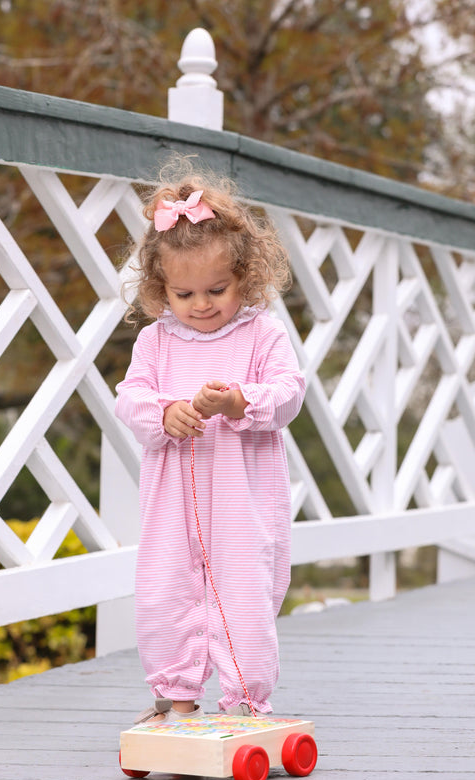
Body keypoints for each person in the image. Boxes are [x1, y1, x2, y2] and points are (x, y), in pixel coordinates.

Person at [115, 160, 306, 723]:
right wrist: (166, 411)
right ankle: (174, 697)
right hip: (172, 501)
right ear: (160, 289)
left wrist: (238, 402)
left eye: (217, 289)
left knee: (244, 593)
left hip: (241, 499)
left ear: (245, 277)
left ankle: (247, 702)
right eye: (184, 293)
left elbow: (289, 393)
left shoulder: (261, 333)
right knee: (165, 589)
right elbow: (129, 397)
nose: (201, 304)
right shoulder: (156, 342)